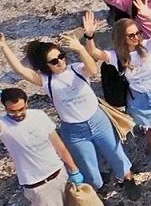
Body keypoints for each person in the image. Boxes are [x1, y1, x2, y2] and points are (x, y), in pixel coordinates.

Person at [0, 34, 138, 196]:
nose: (60, 62)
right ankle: (98, 188)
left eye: (61, 56)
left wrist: (80, 48)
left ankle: (127, 177)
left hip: (98, 120)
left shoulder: (76, 69)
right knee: (87, 165)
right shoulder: (47, 81)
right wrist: (4, 46)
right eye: (54, 61)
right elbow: (21, 70)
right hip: (74, 131)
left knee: (115, 151)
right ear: (46, 66)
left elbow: (92, 70)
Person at [0, 88, 85, 206]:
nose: (17, 114)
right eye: (12, 111)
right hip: (37, 184)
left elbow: (58, 144)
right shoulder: (3, 125)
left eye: (21, 109)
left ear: (27, 104)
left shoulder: (39, 116)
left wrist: (74, 169)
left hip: (59, 173)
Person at [81, 7, 151, 156]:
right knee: (149, 128)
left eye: (138, 33)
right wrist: (89, 36)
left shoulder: (147, 46)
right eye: (131, 35)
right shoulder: (117, 57)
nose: (136, 38)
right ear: (122, 38)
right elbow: (94, 52)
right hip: (139, 96)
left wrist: (150, 17)